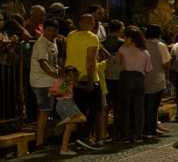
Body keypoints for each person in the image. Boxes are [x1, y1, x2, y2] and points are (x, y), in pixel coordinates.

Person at [65, 13, 102, 151]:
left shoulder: (71, 35)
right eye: (90, 22)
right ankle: (85, 138)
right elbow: (90, 61)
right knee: (93, 110)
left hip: (72, 78)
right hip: (87, 77)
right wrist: (92, 81)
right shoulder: (92, 37)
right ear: (82, 23)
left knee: (78, 110)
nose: (92, 24)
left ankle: (79, 138)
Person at [117, 27, 152, 143]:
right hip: (140, 79)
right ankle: (138, 134)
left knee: (125, 108)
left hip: (126, 77)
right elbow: (148, 69)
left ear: (130, 38)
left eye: (125, 37)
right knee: (139, 108)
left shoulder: (122, 49)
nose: (123, 39)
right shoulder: (145, 52)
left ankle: (125, 135)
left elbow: (120, 65)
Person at [30, 20, 61, 152]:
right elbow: (43, 63)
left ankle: (44, 139)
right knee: (44, 111)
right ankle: (39, 142)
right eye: (49, 30)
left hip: (49, 81)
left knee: (47, 111)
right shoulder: (41, 43)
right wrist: (57, 75)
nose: (52, 33)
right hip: (42, 82)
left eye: (54, 30)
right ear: (45, 30)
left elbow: (53, 62)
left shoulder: (53, 42)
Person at [143, 25, 172, 139]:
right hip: (157, 78)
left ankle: (147, 128)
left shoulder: (142, 45)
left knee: (145, 104)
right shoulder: (161, 46)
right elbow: (166, 63)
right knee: (153, 105)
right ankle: (151, 129)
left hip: (143, 78)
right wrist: (168, 75)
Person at [102, 20, 124, 142]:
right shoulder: (122, 44)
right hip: (118, 76)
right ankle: (116, 132)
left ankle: (103, 132)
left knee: (106, 107)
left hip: (105, 76)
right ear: (119, 29)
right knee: (118, 106)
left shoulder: (102, 43)